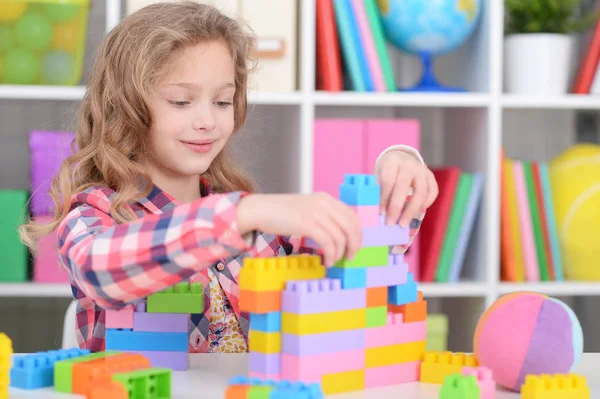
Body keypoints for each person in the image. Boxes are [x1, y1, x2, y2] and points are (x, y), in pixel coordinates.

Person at [19, 2, 438, 353]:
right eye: (181, 101)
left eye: (222, 101)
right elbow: (101, 272)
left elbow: (354, 252)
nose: (207, 121)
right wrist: (239, 216)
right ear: (126, 106)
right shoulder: (95, 213)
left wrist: (399, 169)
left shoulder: (256, 225)